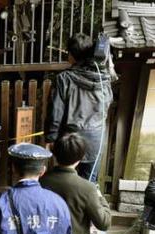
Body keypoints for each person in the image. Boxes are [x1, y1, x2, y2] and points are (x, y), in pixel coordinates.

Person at [44, 33, 113, 182]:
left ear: (71, 54)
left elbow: (55, 112)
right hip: (96, 139)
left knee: (64, 180)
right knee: (89, 183)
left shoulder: (64, 79)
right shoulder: (104, 79)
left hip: (70, 140)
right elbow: (107, 105)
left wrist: (51, 137)